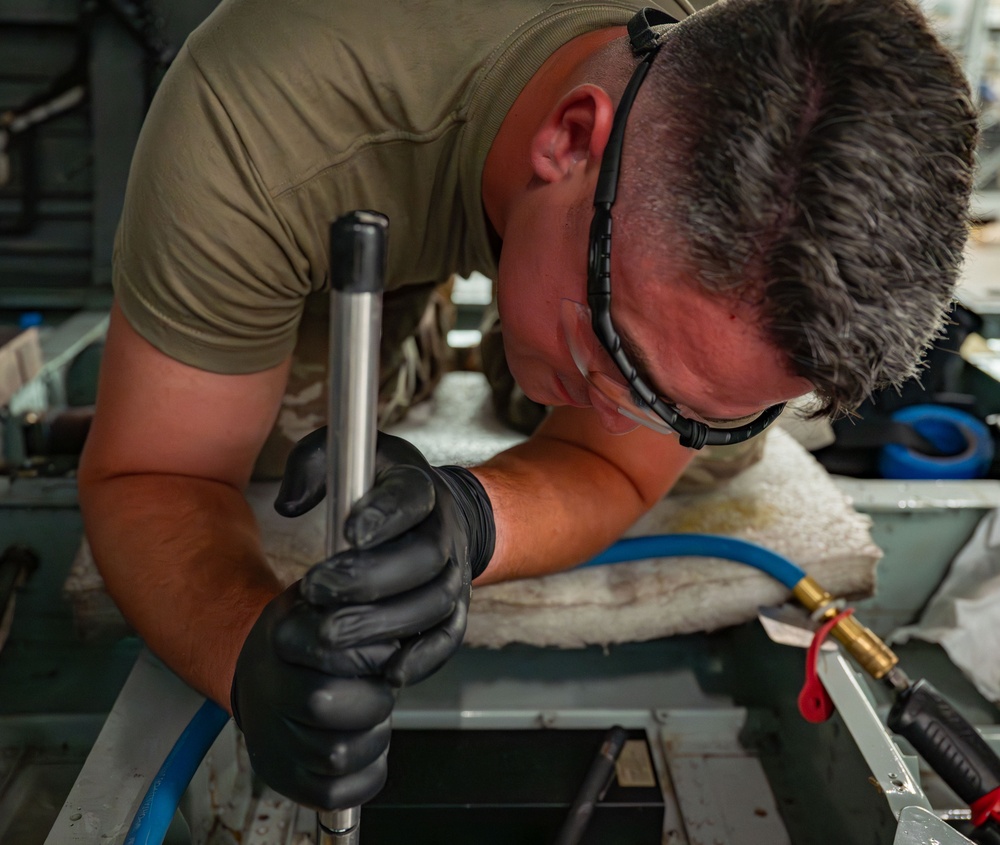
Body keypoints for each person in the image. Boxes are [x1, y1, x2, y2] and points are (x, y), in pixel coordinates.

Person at [77, 0, 977, 814]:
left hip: (560, 226)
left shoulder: (791, 96)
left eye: (687, 406)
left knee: (713, 451)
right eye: (618, 348)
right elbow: (156, 469)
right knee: (293, 445)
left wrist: (472, 518)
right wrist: (252, 654)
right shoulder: (262, 114)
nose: (628, 418)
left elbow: (612, 461)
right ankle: (415, 325)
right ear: (572, 138)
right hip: (350, 177)